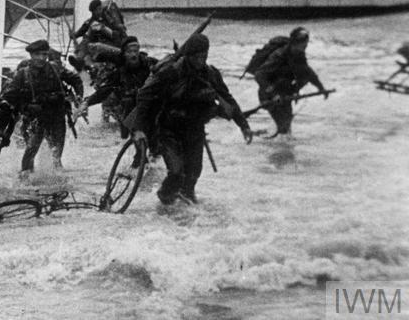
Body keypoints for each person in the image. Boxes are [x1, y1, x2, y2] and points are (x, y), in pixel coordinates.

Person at [124, 33, 253, 204]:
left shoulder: (210, 74)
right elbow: (145, 95)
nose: (200, 61)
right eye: (197, 57)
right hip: (168, 129)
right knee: (176, 172)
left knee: (193, 174)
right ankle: (164, 203)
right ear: (189, 55)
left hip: (194, 129)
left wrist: (244, 125)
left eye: (204, 56)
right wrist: (139, 128)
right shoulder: (171, 72)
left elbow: (228, 99)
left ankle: (186, 215)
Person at [2, 39, 83, 175]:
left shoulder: (55, 68)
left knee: (56, 155)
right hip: (34, 119)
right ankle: (26, 183)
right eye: (37, 54)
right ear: (31, 55)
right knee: (30, 155)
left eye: (44, 54)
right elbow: (9, 96)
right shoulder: (23, 74)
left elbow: (75, 79)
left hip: (56, 116)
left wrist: (79, 96)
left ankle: (57, 183)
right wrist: (25, 106)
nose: (41, 58)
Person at [253, 27, 329, 135]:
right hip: (269, 95)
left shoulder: (299, 55)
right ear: (294, 43)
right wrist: (274, 94)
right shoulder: (279, 56)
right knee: (283, 127)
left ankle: (264, 137)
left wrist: (321, 88)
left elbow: (308, 73)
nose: (305, 48)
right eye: (303, 45)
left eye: (306, 45)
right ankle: (268, 141)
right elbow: (259, 75)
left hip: (286, 95)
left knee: (286, 129)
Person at [76, 36, 158, 136]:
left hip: (150, 105)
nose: (133, 55)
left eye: (136, 51)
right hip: (129, 107)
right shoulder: (121, 72)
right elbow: (106, 90)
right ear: (124, 54)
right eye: (129, 52)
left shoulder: (150, 64)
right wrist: (87, 102)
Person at [69, 0, 127, 72]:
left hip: (111, 46)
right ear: (93, 12)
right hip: (97, 49)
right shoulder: (89, 22)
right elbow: (79, 32)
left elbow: (116, 32)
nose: (99, 11)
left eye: (100, 9)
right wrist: (73, 35)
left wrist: (116, 28)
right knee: (87, 41)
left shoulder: (109, 20)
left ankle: (80, 59)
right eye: (97, 10)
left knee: (89, 41)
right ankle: (80, 60)